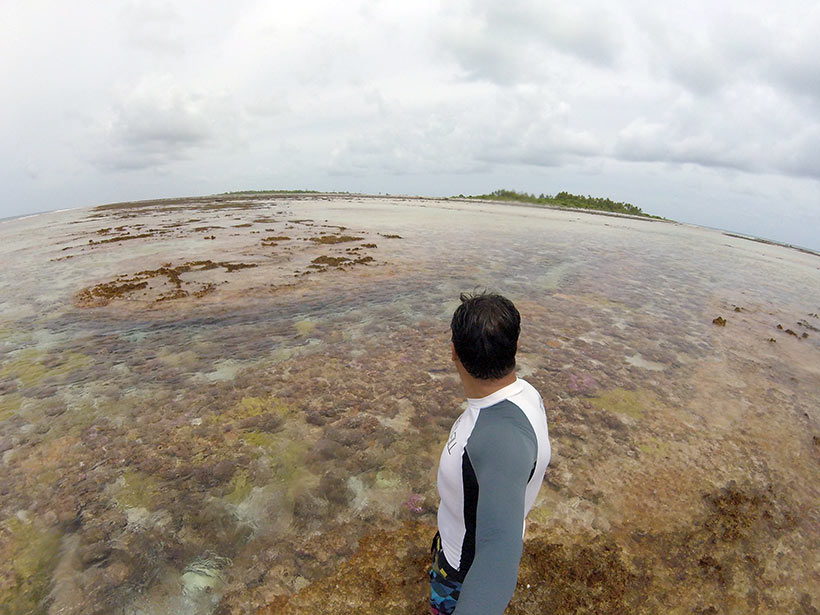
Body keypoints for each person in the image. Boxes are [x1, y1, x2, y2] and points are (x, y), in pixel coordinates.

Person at [430, 292, 551, 615]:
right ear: (516, 347)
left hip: (461, 573)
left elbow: (498, 553)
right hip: (458, 546)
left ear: (453, 352)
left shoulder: (499, 439)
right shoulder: (527, 393)